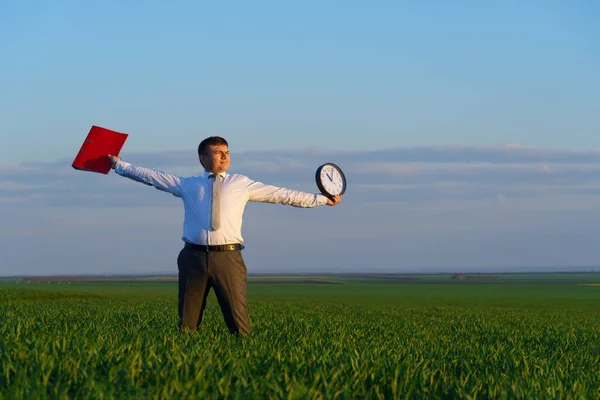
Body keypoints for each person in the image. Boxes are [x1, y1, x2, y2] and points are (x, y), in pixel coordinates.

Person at [107, 136, 342, 336]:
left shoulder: (242, 183)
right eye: (218, 152)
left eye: (227, 152)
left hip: (229, 258)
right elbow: (150, 176)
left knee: (239, 323)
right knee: (187, 324)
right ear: (202, 158)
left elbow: (282, 195)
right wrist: (119, 165)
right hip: (193, 258)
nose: (224, 156)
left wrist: (321, 199)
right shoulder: (188, 185)